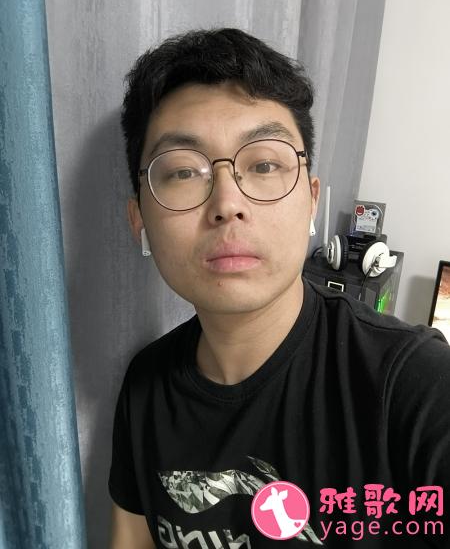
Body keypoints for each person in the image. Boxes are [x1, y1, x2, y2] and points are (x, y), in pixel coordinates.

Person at [108, 28, 450, 548]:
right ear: (139, 221)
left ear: (312, 200)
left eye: (264, 165)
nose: (227, 203)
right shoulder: (145, 387)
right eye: (183, 172)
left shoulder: (413, 383)